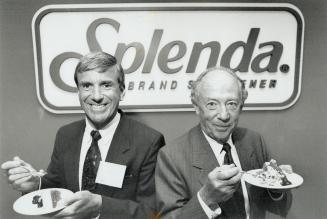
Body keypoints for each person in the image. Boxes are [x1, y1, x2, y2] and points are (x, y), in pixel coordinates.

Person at [1, 51, 165, 219]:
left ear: (122, 91)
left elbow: (152, 212)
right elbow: (57, 189)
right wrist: (35, 184)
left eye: (106, 85)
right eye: (87, 86)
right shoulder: (66, 135)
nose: (96, 96)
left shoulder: (148, 141)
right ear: (78, 92)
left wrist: (100, 207)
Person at [155, 67, 292, 219]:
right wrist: (206, 198)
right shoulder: (172, 156)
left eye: (231, 104)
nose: (224, 115)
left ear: (241, 106)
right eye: (212, 104)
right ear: (196, 107)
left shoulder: (254, 141)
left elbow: (278, 208)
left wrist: (277, 189)